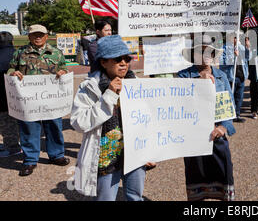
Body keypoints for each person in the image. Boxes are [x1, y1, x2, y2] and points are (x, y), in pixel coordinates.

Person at [70, 35, 155, 200]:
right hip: (106, 157)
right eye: (117, 59)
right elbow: (78, 122)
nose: (123, 63)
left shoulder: (137, 84)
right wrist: (107, 96)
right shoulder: (89, 88)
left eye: (126, 58)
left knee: (135, 196)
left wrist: (150, 152)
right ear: (103, 62)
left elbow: (150, 120)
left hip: (134, 154)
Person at [178, 34, 236, 201]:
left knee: (224, 176)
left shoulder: (221, 76)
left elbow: (229, 109)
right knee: (196, 182)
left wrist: (223, 128)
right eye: (200, 52)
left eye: (209, 52)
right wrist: (200, 86)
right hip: (194, 140)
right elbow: (180, 108)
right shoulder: (183, 76)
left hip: (218, 138)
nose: (205, 56)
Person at [8, 25, 70, 176]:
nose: (37, 37)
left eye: (40, 34)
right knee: (29, 128)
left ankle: (56, 155)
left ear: (46, 36)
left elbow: (64, 68)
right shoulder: (20, 53)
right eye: (34, 34)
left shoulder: (56, 52)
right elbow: (10, 69)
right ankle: (30, 160)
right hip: (29, 101)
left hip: (51, 99)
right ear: (29, 36)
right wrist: (13, 73)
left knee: (54, 125)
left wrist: (63, 72)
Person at [219, 32, 251, 123]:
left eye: (237, 38)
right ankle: (229, 116)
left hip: (241, 76)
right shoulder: (224, 48)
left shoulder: (240, 47)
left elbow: (249, 58)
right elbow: (222, 63)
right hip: (230, 77)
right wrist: (233, 57)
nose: (236, 39)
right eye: (234, 37)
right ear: (229, 38)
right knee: (230, 97)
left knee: (239, 97)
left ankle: (237, 114)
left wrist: (248, 48)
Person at [0, 32, 21, 158]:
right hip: (19, 96)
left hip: (2, 97)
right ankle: (17, 143)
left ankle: (13, 147)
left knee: (6, 123)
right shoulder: (19, 53)